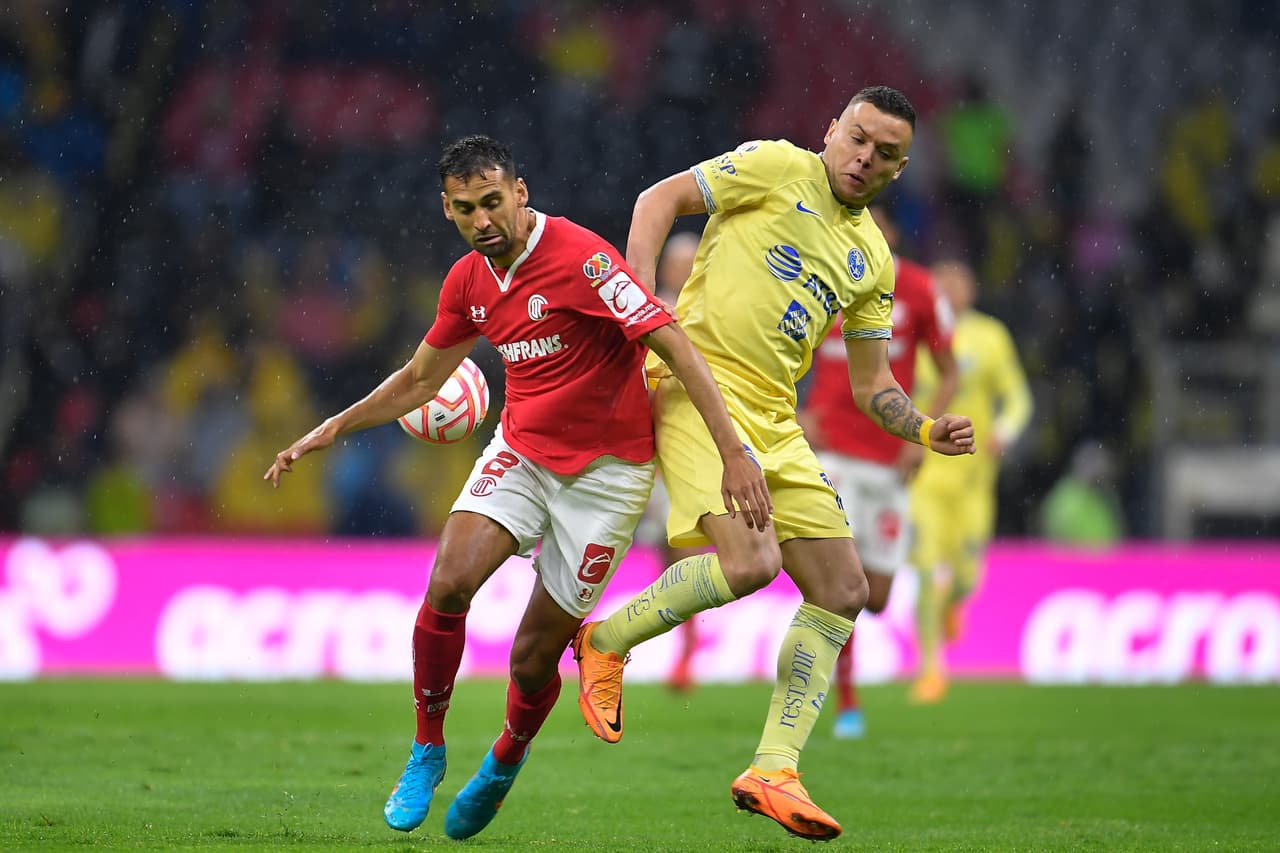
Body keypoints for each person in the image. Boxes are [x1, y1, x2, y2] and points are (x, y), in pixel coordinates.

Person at [263, 135, 770, 840]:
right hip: (523, 452)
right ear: (448, 209)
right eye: (466, 208)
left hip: (610, 476)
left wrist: (734, 454)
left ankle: (504, 759)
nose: (482, 220)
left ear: (520, 193)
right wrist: (334, 425)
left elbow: (673, 343)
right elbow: (420, 379)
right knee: (448, 582)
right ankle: (427, 747)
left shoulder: (585, 259)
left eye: (493, 201)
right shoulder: (467, 282)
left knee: (532, 658)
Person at [571, 86, 976, 841]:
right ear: (831, 129)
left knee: (845, 586)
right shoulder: (773, 165)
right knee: (751, 562)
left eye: (886, 154)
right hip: (694, 384)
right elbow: (656, 200)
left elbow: (872, 384)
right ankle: (606, 637)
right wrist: (639, 311)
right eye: (858, 138)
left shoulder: (873, 258)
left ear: (901, 168)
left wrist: (922, 428)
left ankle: (774, 767)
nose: (865, 158)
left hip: (775, 419)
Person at [799, 204, 958, 739]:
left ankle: (832, 677)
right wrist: (800, 411)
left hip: (890, 459)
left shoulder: (918, 288)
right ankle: (845, 700)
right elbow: (784, 351)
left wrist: (925, 434)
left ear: (890, 232)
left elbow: (950, 369)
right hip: (834, 455)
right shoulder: (821, 280)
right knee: (844, 583)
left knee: (878, 594)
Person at [908, 259, 1032, 704]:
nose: (948, 289)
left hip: (975, 477)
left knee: (966, 576)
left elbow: (1017, 397)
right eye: (940, 283)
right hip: (925, 474)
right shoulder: (912, 331)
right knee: (924, 569)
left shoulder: (990, 337)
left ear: (972, 291)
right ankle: (930, 669)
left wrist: (1004, 430)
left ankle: (954, 603)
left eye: (957, 282)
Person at [641, 229, 712, 691]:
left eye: (690, 263)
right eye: (675, 263)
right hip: (642, 447)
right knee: (662, 552)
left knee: (682, 545)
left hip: (686, 447)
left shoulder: (709, 316)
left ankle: (687, 647)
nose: (681, 271)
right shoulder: (645, 312)